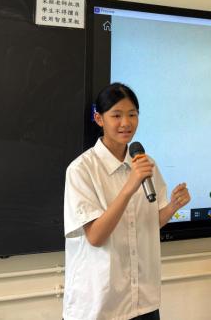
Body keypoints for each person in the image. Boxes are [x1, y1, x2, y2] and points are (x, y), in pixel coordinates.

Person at [63, 82, 190, 320]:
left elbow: (149, 223)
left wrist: (173, 205)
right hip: (99, 305)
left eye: (132, 114)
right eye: (116, 115)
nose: (126, 123)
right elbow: (95, 237)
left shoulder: (145, 163)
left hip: (142, 301)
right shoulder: (81, 170)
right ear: (99, 119)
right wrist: (129, 188)